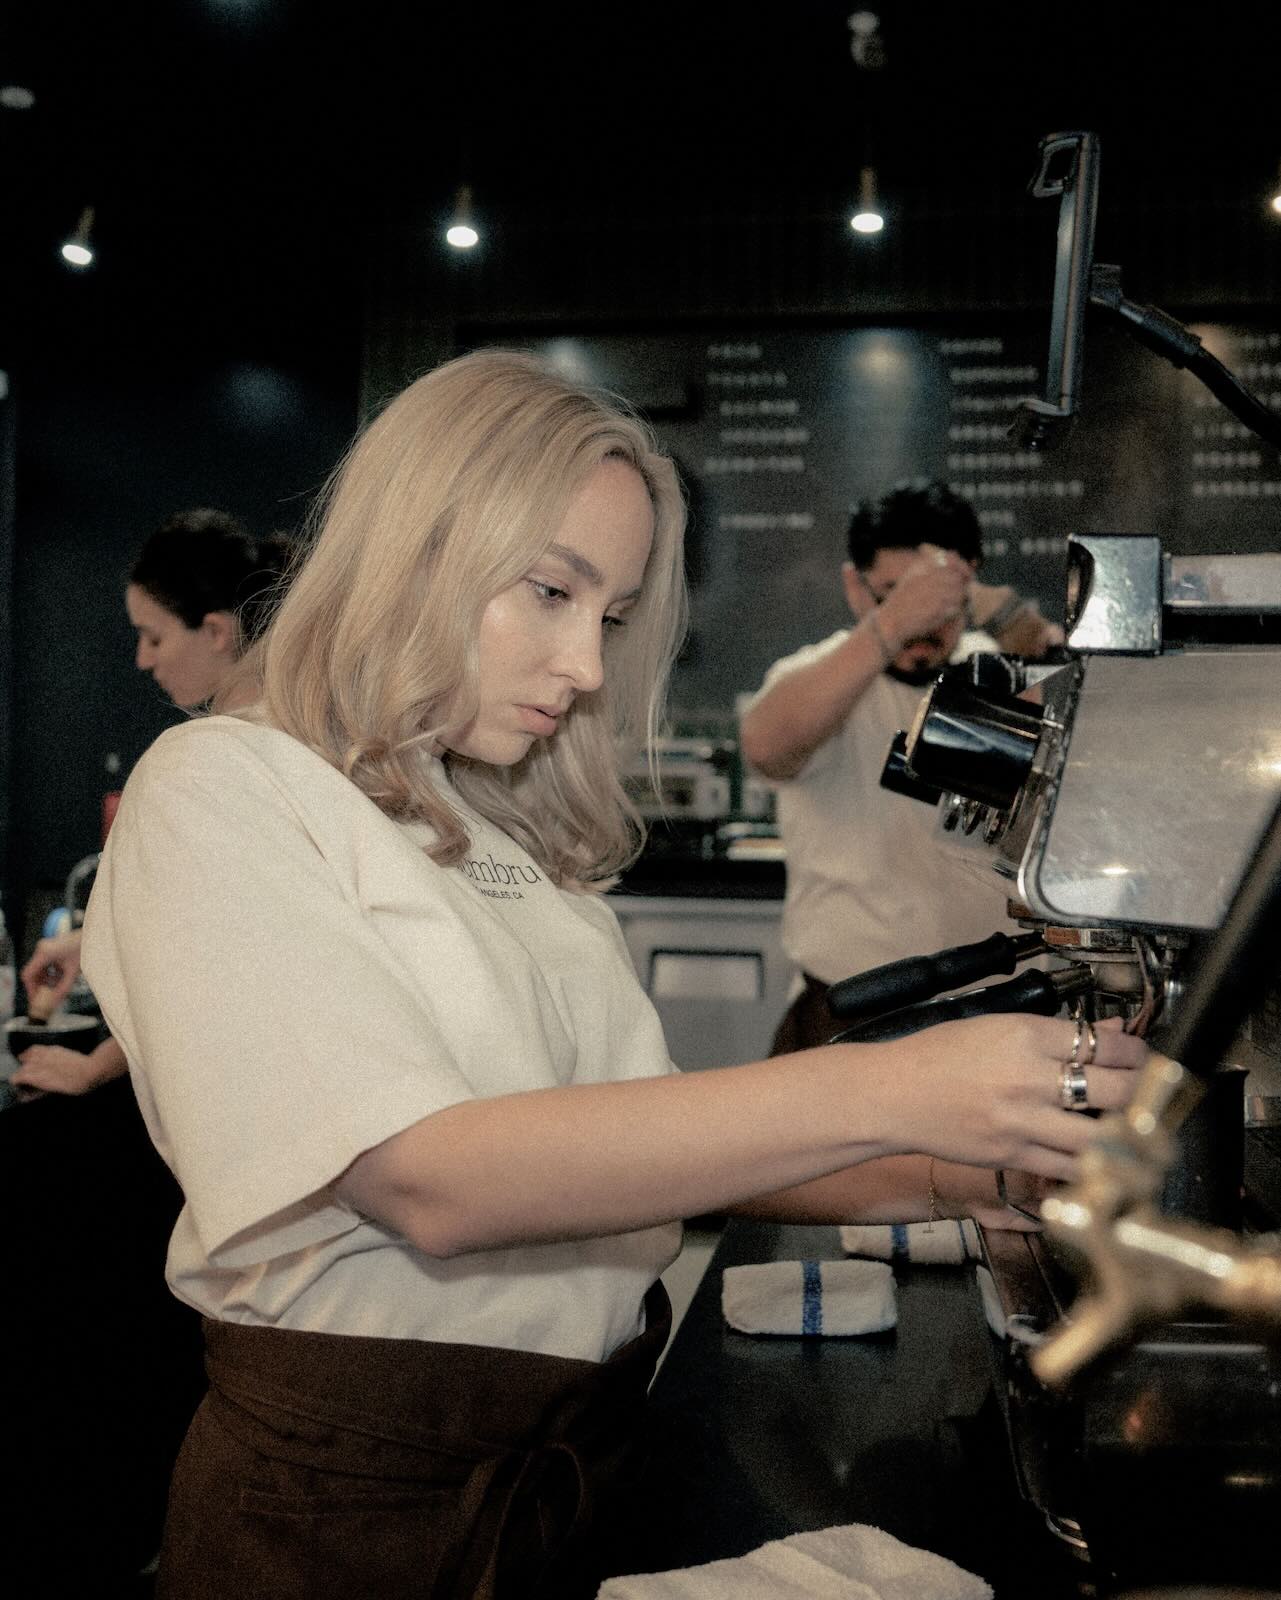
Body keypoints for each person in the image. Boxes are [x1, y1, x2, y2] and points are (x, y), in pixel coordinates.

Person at [81, 353, 1146, 1600]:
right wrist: (897, 1087)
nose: (587, 666)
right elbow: (428, 1176)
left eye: (613, 615)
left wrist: (972, 1169)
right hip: (351, 1511)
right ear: (415, 547)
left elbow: (635, 1144)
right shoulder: (224, 786)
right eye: (551, 591)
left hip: (580, 1456)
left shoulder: (495, 826)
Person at [739, 481, 1061, 1055]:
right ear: (854, 587)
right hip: (853, 1008)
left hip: (1000, 1007)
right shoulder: (821, 674)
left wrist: (1022, 628)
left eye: (935, 598)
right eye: (893, 592)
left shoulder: (1000, 672)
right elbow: (765, 747)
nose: (923, 620)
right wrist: (892, 625)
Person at [12, 509, 294, 1098]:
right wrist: (94, 944)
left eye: (154, 636)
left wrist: (94, 1067)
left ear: (216, 631)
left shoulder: (206, 762)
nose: (142, 659)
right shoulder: (294, 739)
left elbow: (201, 969)